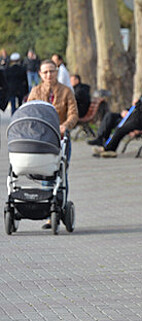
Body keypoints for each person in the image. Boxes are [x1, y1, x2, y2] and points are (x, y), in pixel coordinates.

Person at [27, 59, 79, 229]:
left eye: (52, 71)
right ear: (41, 74)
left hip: (61, 138)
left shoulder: (66, 92)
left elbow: (73, 114)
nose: (49, 75)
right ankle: (49, 212)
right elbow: (28, 111)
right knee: (46, 173)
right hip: (43, 139)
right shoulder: (35, 91)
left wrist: (65, 125)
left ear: (57, 72)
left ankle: (61, 207)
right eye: (45, 72)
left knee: (61, 174)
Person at [92, 77, 142, 158]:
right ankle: (105, 145)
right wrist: (136, 105)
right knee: (114, 121)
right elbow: (141, 104)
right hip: (136, 119)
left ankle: (110, 149)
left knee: (120, 129)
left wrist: (138, 103)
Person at [87, 75, 142, 147]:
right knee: (110, 116)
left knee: (118, 125)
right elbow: (135, 108)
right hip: (131, 117)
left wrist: (136, 106)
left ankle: (108, 147)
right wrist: (126, 111)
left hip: (136, 120)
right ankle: (101, 138)